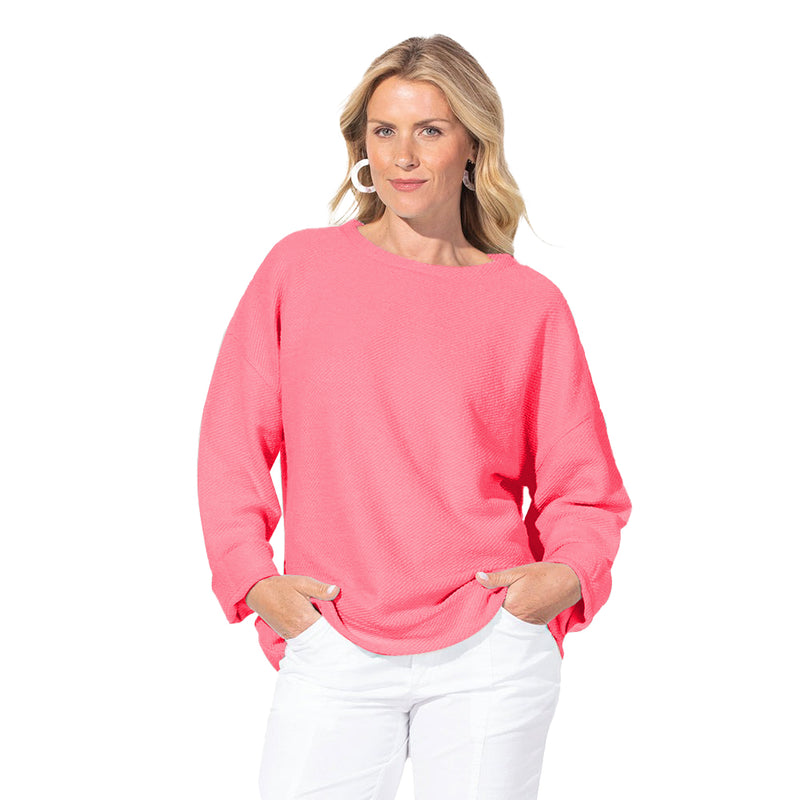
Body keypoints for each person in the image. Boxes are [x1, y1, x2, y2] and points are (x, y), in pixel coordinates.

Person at [197, 33, 632, 800]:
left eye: (429, 130)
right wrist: (253, 579)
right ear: (361, 145)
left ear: (472, 145)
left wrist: (562, 579)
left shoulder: (527, 305)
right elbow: (232, 443)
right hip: (332, 635)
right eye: (384, 130)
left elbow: (584, 487)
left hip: (490, 648)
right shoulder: (300, 270)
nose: (403, 155)